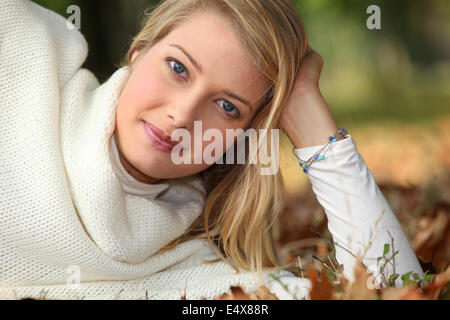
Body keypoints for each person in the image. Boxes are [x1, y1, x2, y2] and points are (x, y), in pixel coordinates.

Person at [0, 0, 423, 300]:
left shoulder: (203, 275)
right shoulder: (24, 49)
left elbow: (396, 287)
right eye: (178, 68)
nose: (182, 116)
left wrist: (307, 111)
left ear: (243, 136)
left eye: (227, 106)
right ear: (139, 50)